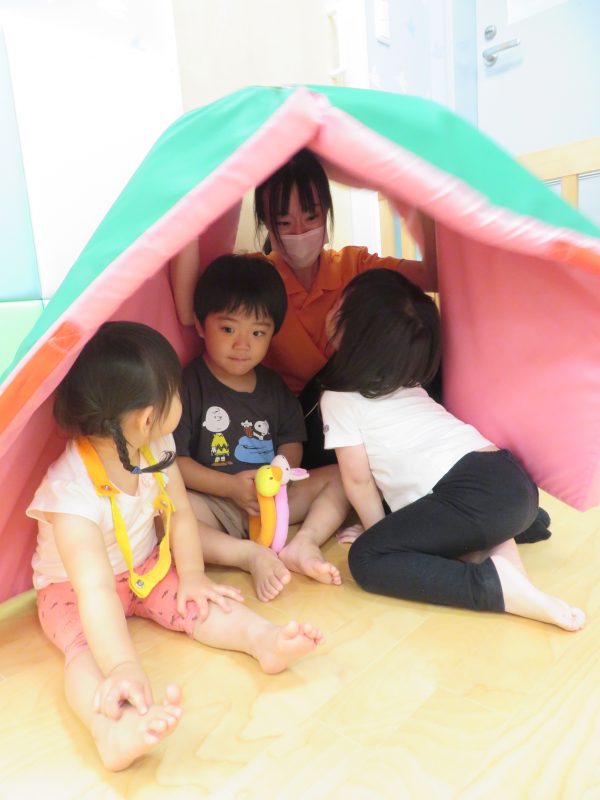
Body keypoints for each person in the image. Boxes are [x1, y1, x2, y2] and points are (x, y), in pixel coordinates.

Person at [170, 148, 551, 540]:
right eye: (284, 222)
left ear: (327, 213)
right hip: (313, 424)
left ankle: (481, 499)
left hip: (366, 409)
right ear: (267, 223)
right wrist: (187, 217)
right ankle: (444, 512)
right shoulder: (259, 283)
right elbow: (191, 311)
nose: (299, 231)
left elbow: (435, 274)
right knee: (354, 374)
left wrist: (415, 197)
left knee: (417, 337)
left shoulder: (352, 266)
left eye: (310, 217)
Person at [27, 322, 324, 772]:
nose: (182, 400)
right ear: (147, 418)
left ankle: (262, 640)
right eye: (176, 393)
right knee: (84, 655)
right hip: (72, 589)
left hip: (145, 564)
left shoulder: (155, 445)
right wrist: (123, 665)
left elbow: (180, 513)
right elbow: (94, 590)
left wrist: (193, 577)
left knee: (202, 601)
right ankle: (108, 729)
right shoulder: (70, 493)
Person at [319, 269, 585, 631]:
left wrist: (379, 534)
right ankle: (508, 558)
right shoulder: (409, 382)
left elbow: (359, 482)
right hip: (514, 486)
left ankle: (491, 588)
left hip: (473, 497)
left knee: (366, 558)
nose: (331, 310)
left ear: (356, 337)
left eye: (340, 307)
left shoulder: (338, 399)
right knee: (464, 522)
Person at [173, 254, 350, 603]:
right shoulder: (188, 385)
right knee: (166, 515)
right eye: (228, 329)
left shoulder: (273, 386)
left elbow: (291, 442)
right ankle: (247, 555)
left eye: (257, 333)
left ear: (272, 334)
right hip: (215, 503)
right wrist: (229, 487)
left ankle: (305, 542)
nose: (243, 345)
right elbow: (177, 463)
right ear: (200, 325)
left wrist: (279, 473)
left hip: (274, 500)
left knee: (342, 476)